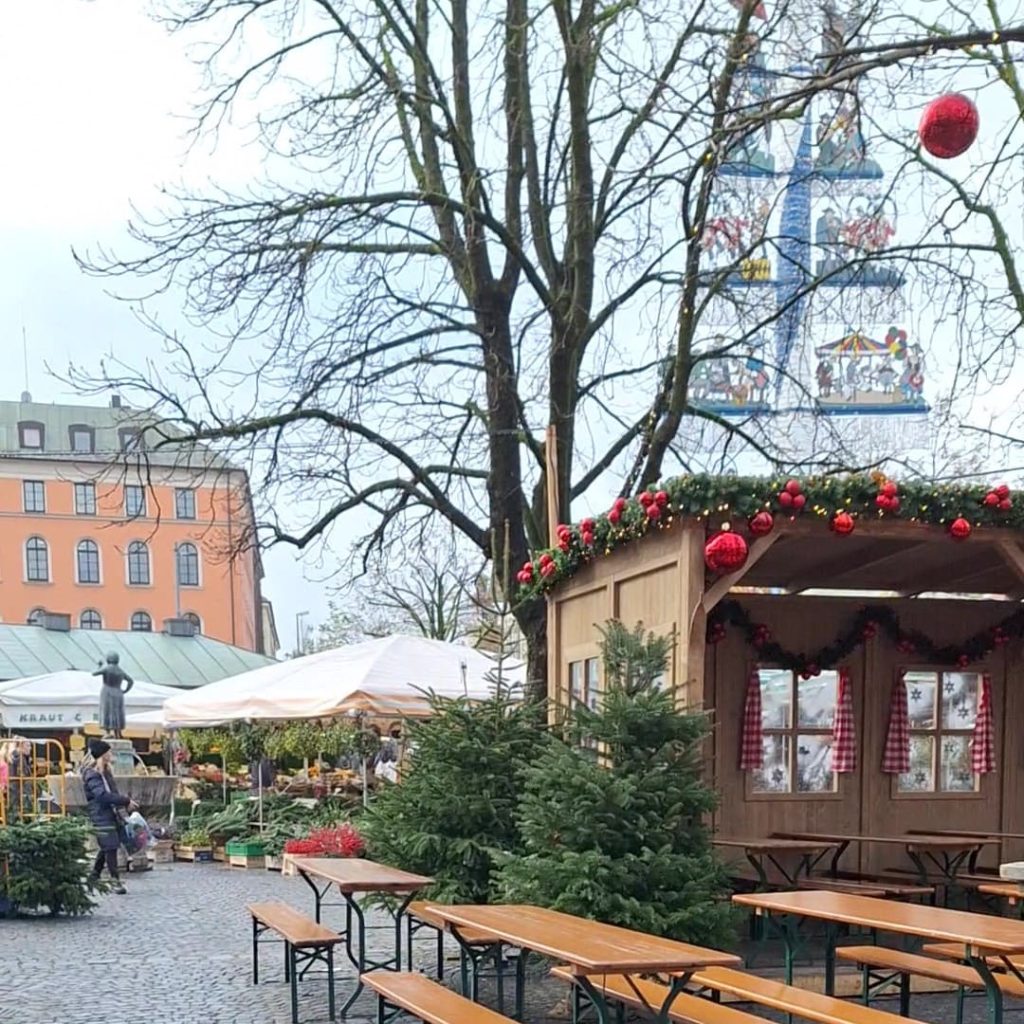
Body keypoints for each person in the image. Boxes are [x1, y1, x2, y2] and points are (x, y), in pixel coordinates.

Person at [82, 740, 136, 894]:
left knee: (107, 846)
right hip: (100, 814)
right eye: (109, 752)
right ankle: (114, 881)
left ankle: (93, 877)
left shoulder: (105, 771)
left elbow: (112, 791)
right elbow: (102, 796)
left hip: (111, 813)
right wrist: (125, 801)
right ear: (102, 755)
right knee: (110, 846)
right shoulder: (92, 773)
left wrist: (122, 805)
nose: (111, 754)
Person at [93, 652, 134, 739]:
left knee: (107, 710)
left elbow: (94, 673)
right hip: (118, 692)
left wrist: (100, 666)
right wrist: (125, 690)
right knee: (117, 712)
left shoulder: (107, 668)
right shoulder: (120, 670)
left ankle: (108, 731)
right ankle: (117, 732)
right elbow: (130, 681)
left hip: (107, 690)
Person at [4, 737, 34, 821]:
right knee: (19, 812)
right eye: (28, 746)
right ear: (20, 746)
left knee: (13, 810)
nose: (30, 748)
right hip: (19, 789)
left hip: (14, 788)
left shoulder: (13, 756)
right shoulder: (19, 757)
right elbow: (23, 775)